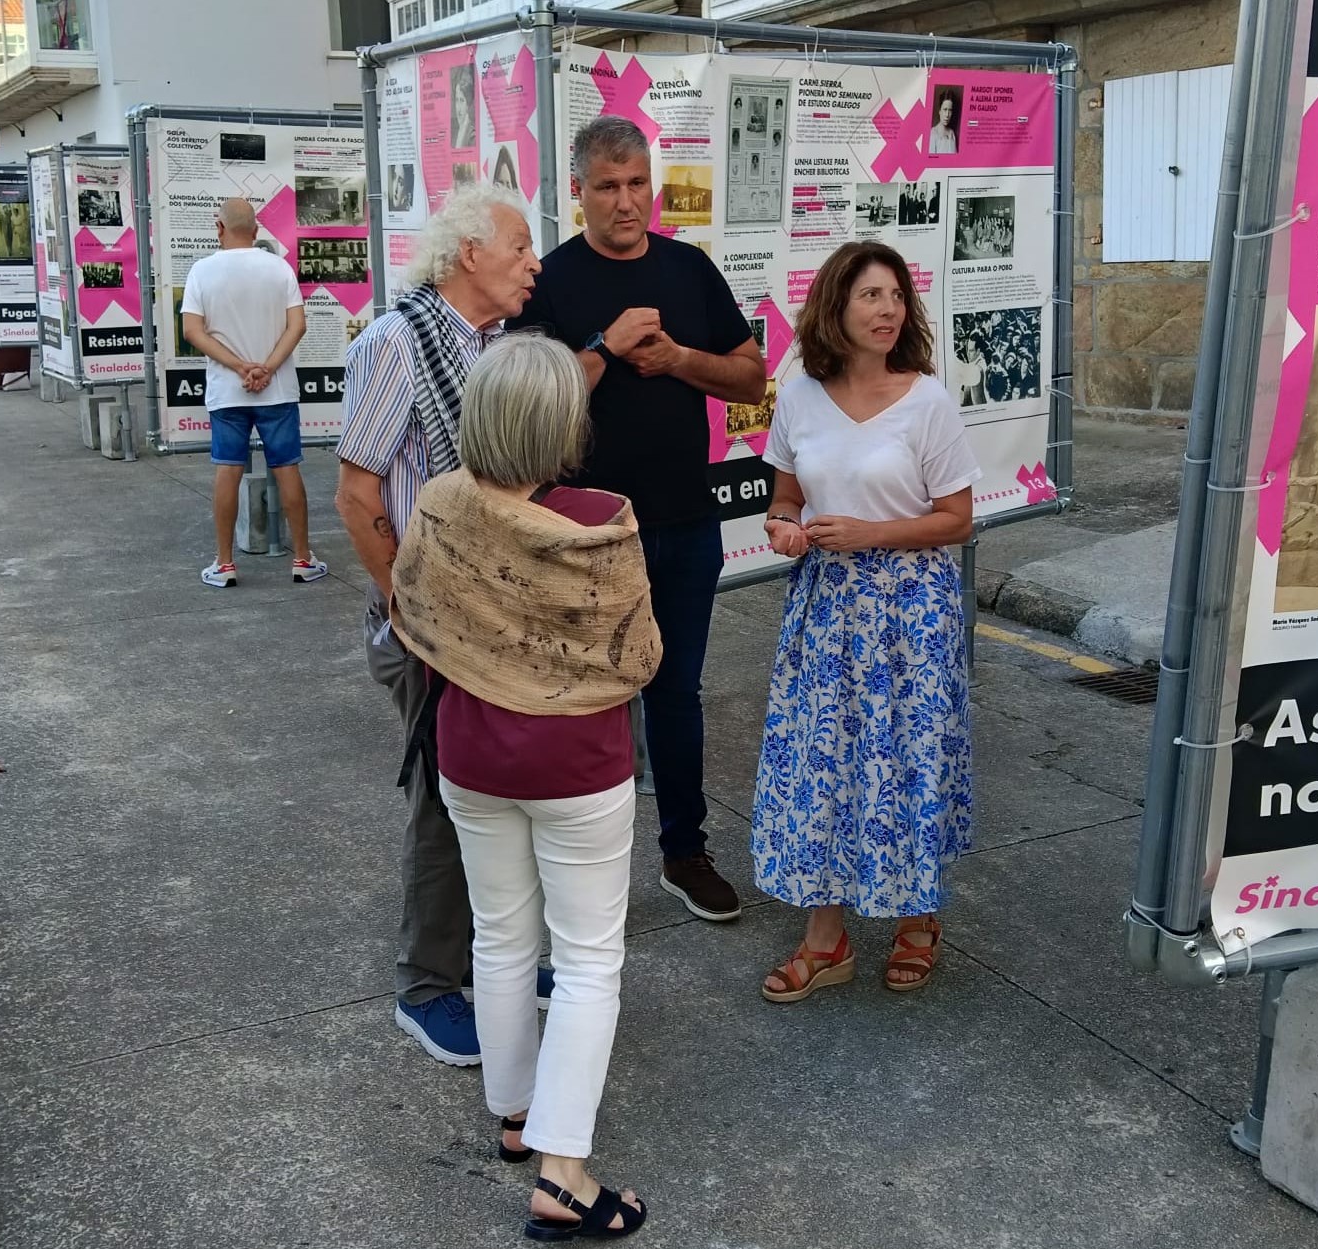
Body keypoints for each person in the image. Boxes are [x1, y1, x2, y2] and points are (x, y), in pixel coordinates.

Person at [391, 334, 659, 1241]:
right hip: (578, 763)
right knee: (587, 962)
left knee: (501, 938)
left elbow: (413, 612)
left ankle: (515, 1114)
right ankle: (562, 1172)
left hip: (470, 754)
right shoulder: (602, 519)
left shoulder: (441, 505)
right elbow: (640, 654)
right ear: (564, 425)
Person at [508, 115, 767, 923]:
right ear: (577, 191)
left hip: (686, 520)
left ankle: (684, 852)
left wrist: (680, 358)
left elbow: (750, 376)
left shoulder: (689, 268)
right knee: (583, 699)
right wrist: (605, 344)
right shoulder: (549, 281)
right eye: (608, 187)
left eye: (638, 184)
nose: (626, 202)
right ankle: (580, 868)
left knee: (676, 693)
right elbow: (528, 400)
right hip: (584, 532)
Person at [334, 184, 542, 1067]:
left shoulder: (491, 345)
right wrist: (407, 607)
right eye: (520, 247)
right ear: (470, 255)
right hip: (429, 622)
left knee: (497, 792)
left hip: (491, 614)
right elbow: (357, 494)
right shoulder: (397, 343)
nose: (535, 263)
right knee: (443, 795)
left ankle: (493, 957)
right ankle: (426, 985)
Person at [751, 241, 979, 1003]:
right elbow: (786, 496)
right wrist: (785, 526)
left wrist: (870, 532)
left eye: (897, 296)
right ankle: (827, 939)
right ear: (835, 308)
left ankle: (919, 918)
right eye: (871, 296)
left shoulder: (926, 401)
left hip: (912, 611)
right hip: (827, 607)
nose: (888, 311)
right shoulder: (799, 397)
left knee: (908, 756)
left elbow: (957, 520)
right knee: (823, 765)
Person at [181, 198, 324, 588]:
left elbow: (192, 331)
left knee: (228, 469)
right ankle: (302, 559)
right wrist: (268, 368)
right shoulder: (279, 268)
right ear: (256, 231)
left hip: (228, 391)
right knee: (287, 468)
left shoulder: (201, 271)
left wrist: (240, 367)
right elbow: (297, 326)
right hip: (277, 390)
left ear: (219, 228)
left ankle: (224, 563)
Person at [451, 65, 476, 149]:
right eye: (457, 100)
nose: (458, 109)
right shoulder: (454, 133)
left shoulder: (473, 137)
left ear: (468, 104)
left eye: (462, 101)